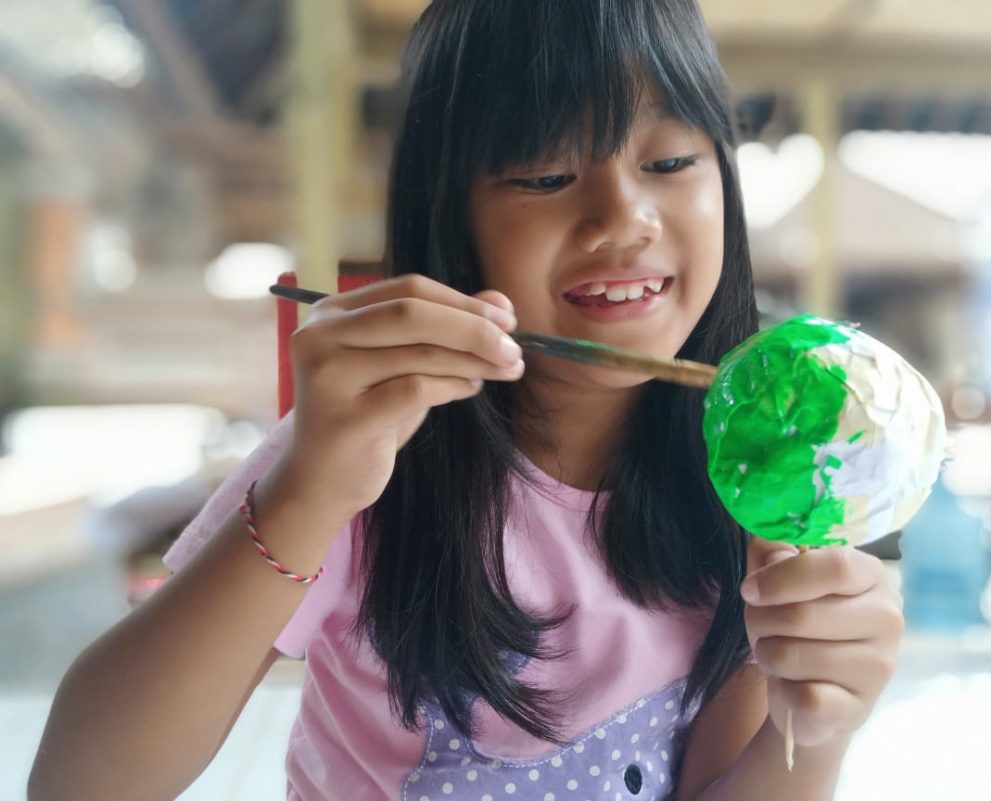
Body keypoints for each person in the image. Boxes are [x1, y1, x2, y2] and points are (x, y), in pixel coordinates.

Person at [30, 1, 904, 799]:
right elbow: (80, 783)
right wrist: (309, 490)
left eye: (670, 161)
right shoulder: (365, 446)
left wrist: (814, 730)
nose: (623, 217)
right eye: (545, 175)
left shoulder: (756, 484)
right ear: (451, 218)